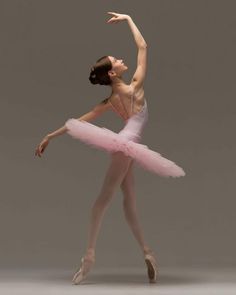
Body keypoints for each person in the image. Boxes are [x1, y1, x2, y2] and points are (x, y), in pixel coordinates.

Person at [35, 12, 185, 284]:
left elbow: (78, 122)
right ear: (114, 73)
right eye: (116, 60)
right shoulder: (136, 87)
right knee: (102, 202)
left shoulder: (111, 101)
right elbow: (143, 46)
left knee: (127, 202)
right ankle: (89, 258)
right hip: (127, 145)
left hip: (125, 146)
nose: (120, 58)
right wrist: (129, 19)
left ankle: (147, 252)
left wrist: (50, 135)